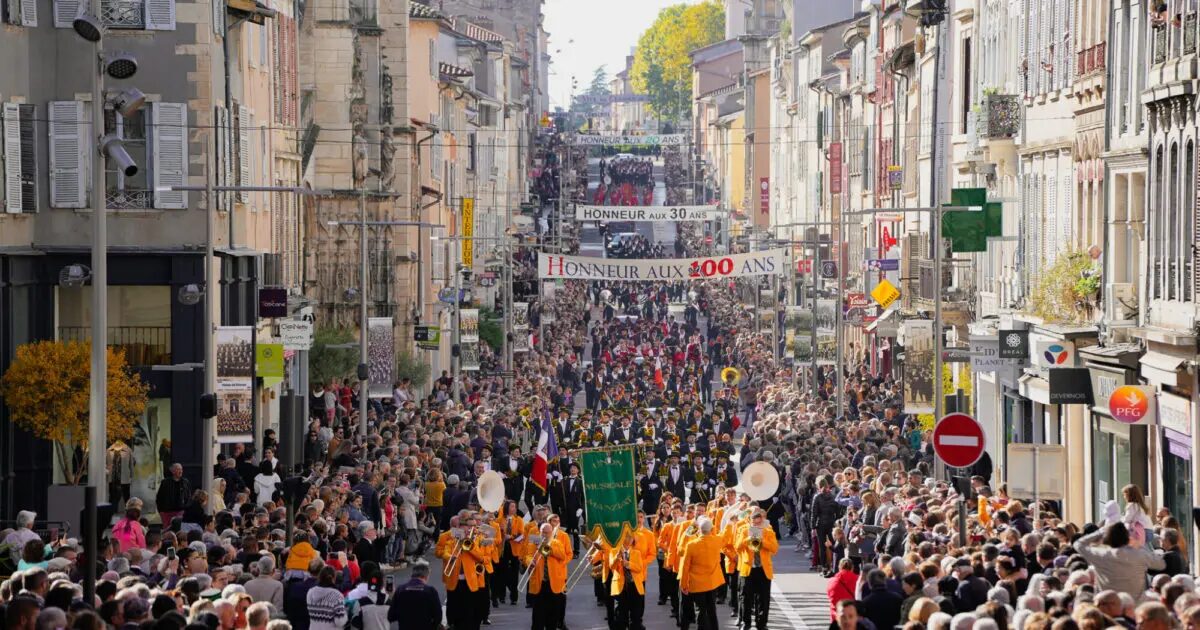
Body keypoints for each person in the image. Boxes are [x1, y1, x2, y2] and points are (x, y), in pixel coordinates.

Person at [1073, 521, 1166, 599]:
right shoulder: (1139, 555)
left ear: (1108, 538)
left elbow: (1078, 544)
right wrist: (1139, 546)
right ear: (1127, 537)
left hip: (1107, 605)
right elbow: (1161, 564)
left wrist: (1101, 532)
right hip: (1134, 606)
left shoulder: (1101, 555)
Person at [735, 508, 778, 630]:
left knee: (763, 599)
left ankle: (761, 624)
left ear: (762, 522)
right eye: (754, 523)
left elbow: (774, 548)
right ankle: (746, 622)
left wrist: (763, 541)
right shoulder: (744, 531)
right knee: (746, 598)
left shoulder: (768, 532)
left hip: (762, 569)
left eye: (759, 523)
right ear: (750, 522)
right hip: (748, 569)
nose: (756, 526)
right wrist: (747, 539)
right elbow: (737, 547)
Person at [680, 517, 725, 630]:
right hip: (712, 582)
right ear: (711, 529)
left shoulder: (691, 545)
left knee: (701, 610)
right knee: (711, 609)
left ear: (699, 529)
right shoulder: (717, 540)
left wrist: (683, 584)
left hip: (697, 583)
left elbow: (685, 567)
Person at [528, 520, 570, 630]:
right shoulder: (534, 542)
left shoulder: (557, 543)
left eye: (547, 533)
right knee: (537, 617)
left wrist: (547, 547)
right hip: (540, 583)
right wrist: (529, 562)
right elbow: (528, 555)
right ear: (539, 532)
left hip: (554, 584)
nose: (545, 535)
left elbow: (562, 555)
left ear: (551, 533)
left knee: (552, 617)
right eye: (543, 532)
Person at [389, 559, 442, 630]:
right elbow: (438, 617)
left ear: (412, 575)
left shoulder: (400, 590)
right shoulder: (431, 591)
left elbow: (391, 616)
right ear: (426, 576)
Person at [156, 463, 191, 528]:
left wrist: (186, 508)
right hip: (167, 512)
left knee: (179, 529)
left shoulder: (185, 482)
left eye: (181, 469)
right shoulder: (165, 482)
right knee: (167, 530)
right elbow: (159, 497)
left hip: (181, 511)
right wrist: (161, 511)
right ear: (173, 471)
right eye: (178, 469)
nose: (181, 471)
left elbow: (188, 496)